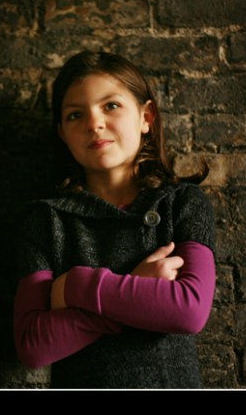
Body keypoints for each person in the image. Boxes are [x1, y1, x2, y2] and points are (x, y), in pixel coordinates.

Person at [12, 50, 216, 389]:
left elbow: (189, 311)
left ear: (146, 117)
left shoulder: (182, 203)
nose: (94, 123)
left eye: (111, 105)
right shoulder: (46, 219)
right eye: (75, 114)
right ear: (62, 132)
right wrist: (136, 284)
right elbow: (32, 345)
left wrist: (76, 286)